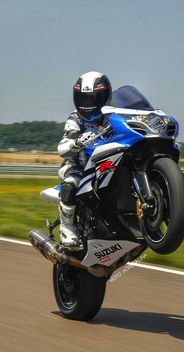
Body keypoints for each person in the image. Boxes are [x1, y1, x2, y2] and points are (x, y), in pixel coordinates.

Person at [57, 71, 112, 247]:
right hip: (79, 166)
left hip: (107, 164)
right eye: (83, 99)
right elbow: (62, 147)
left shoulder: (113, 115)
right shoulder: (75, 119)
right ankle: (67, 228)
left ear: (105, 96)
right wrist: (78, 143)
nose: (88, 104)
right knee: (71, 183)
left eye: (93, 99)